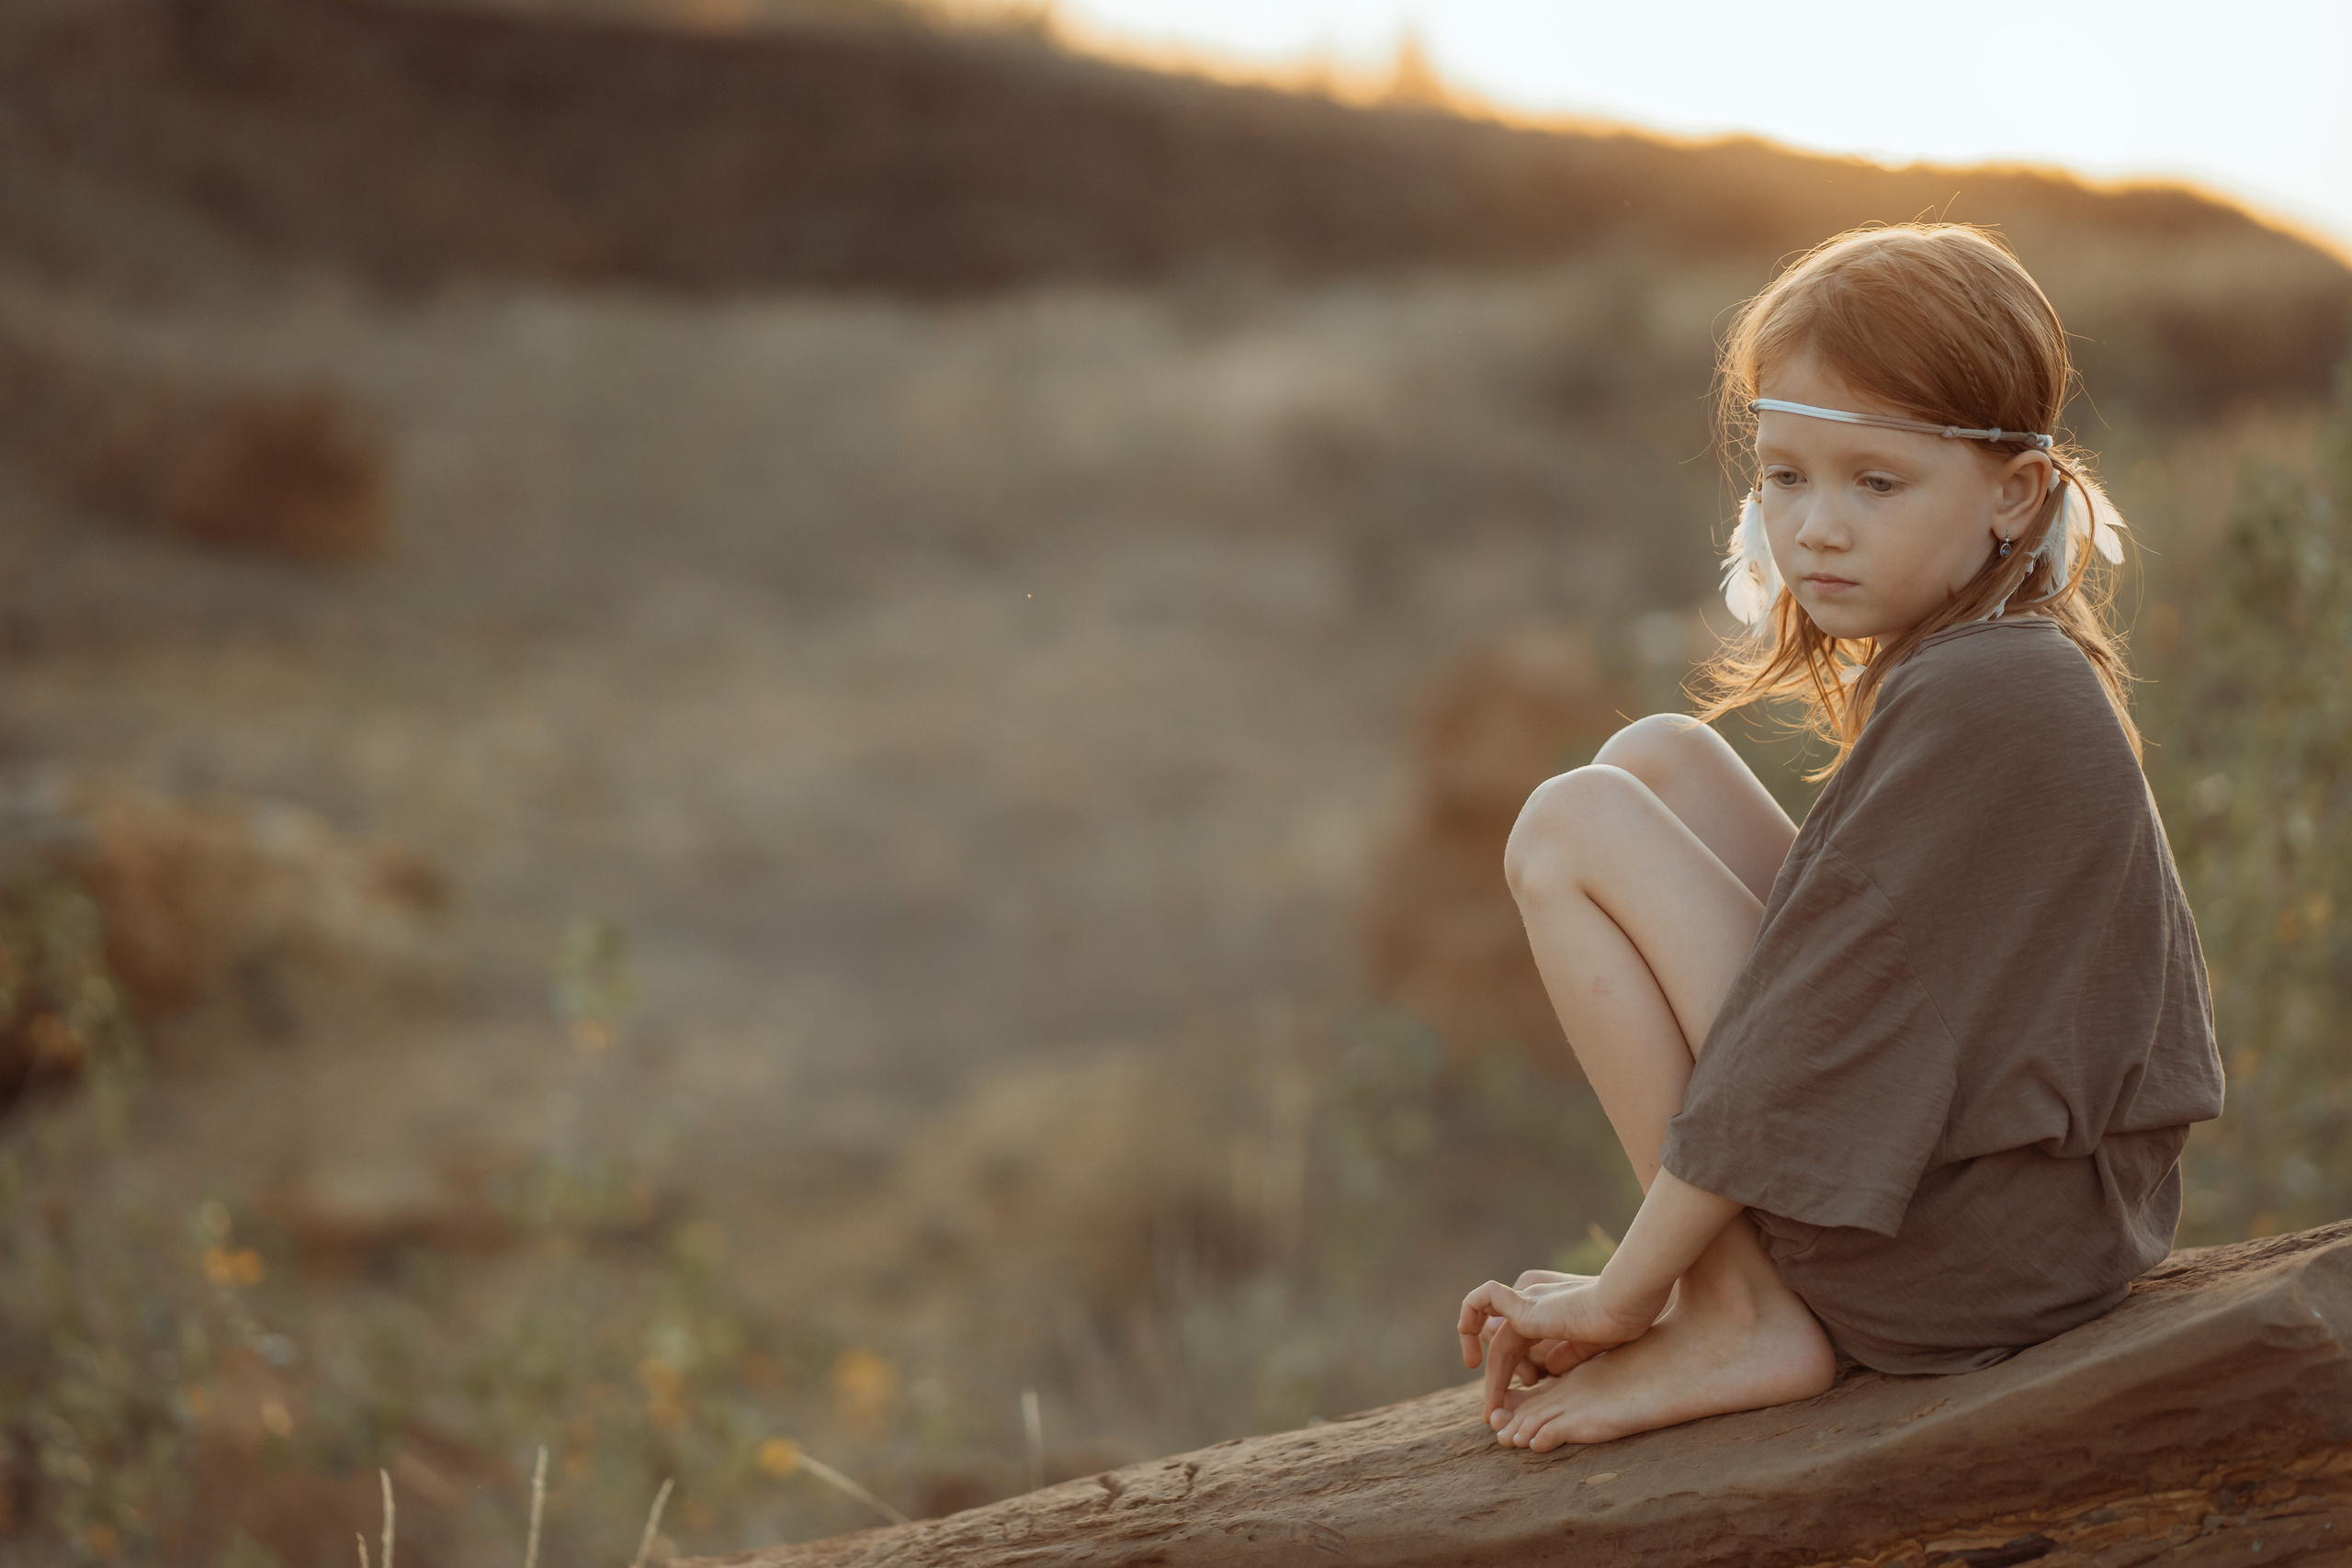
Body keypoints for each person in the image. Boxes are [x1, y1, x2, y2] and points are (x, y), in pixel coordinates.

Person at [1455, 223, 2225, 1453]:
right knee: (1658, 753)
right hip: (2024, 1224)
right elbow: (1855, 993)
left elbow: (1809, 1034)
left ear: (2015, 492)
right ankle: (1728, 1295)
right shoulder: (1994, 662)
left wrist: (1622, 1294)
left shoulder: (1990, 691)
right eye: (1785, 476)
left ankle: (1736, 1312)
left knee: (1569, 825)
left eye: (1876, 482)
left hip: (1972, 1258)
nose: (1816, 528)